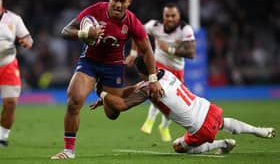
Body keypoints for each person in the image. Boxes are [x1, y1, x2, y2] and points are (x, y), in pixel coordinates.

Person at [51, 0, 163, 159]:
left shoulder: (132, 21)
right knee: (74, 100)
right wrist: (85, 33)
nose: (118, 5)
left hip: (113, 67)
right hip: (89, 63)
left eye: (122, 1)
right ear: (109, 0)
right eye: (115, 1)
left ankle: (135, 87)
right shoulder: (96, 11)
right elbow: (65, 31)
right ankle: (68, 151)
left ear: (129, 2)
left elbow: (147, 50)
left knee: (113, 113)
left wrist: (154, 78)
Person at [90, 56, 276, 155]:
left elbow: (121, 105)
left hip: (200, 128)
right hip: (207, 108)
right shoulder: (164, 72)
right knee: (223, 123)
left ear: (139, 72)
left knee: (178, 146)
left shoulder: (150, 89)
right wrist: (107, 97)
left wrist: (102, 93)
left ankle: (222, 143)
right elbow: (131, 89)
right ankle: (257, 130)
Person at [125, 3, 196, 142]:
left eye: (173, 16)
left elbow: (191, 53)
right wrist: (133, 52)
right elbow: (137, 33)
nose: (169, 19)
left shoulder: (185, 29)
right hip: (159, 66)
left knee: (173, 103)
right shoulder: (155, 26)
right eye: (167, 15)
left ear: (179, 16)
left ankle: (164, 126)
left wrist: (169, 49)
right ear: (163, 16)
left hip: (177, 70)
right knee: (156, 93)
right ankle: (150, 120)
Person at [0, 0, 34, 147]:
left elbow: (28, 39)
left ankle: (2, 137)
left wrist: (27, 42)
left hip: (8, 64)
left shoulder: (14, 19)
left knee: (11, 103)